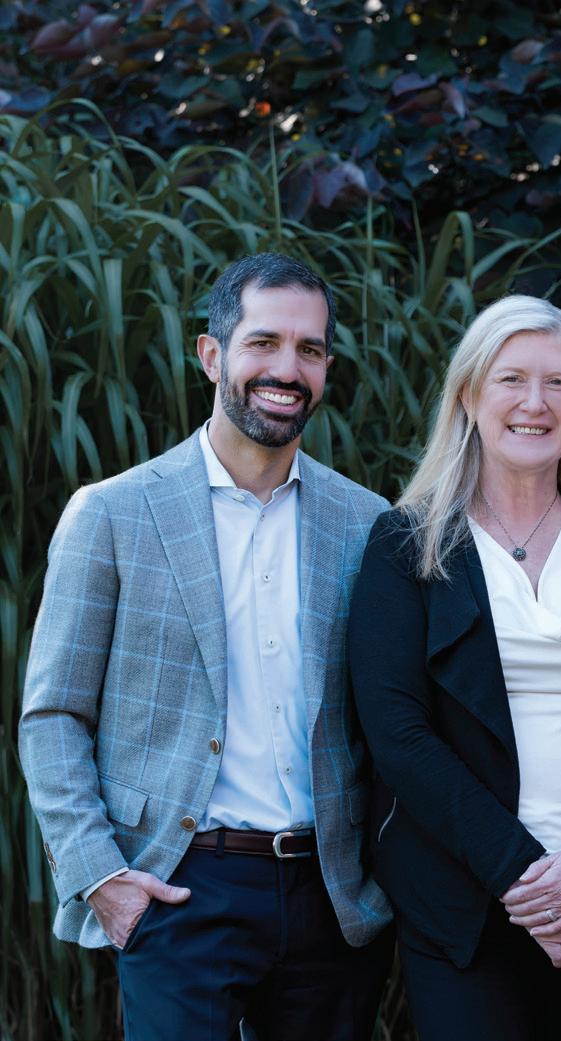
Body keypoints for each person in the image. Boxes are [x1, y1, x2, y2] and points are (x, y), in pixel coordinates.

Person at [19, 252, 394, 1040]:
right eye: (263, 343)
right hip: (177, 888)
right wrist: (102, 877)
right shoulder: (112, 514)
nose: (287, 369)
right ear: (212, 354)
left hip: (330, 896)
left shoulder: (367, 524)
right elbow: (53, 715)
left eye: (310, 349)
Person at [347, 294, 561, 1041]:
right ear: (469, 396)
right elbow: (398, 733)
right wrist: (527, 877)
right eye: (511, 379)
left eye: (559, 383)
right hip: (467, 903)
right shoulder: (407, 546)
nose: (535, 403)